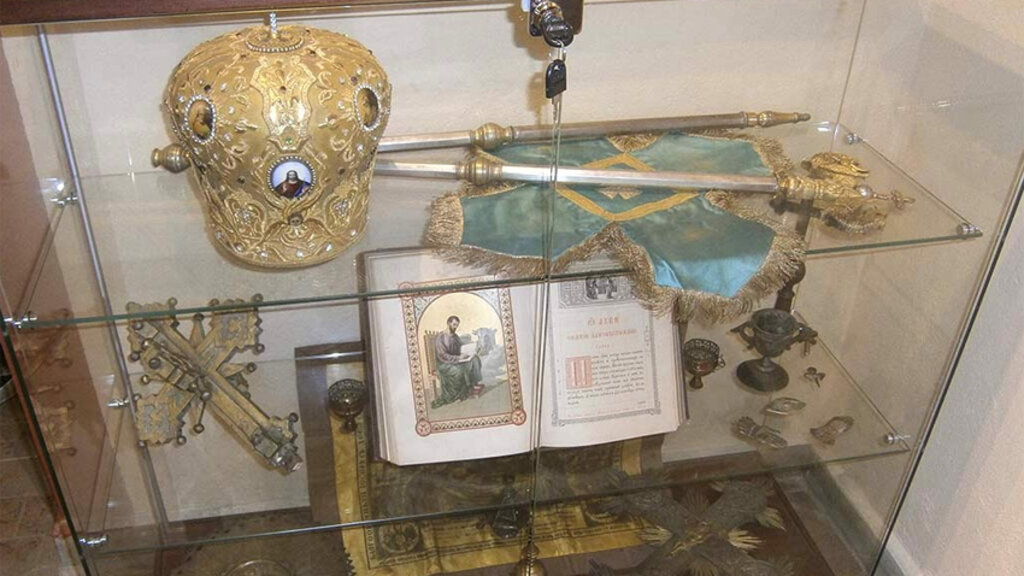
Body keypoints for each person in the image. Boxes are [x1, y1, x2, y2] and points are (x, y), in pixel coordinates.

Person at [431, 315, 483, 409]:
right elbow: (442, 355)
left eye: (457, 325)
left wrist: (472, 349)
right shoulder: (441, 337)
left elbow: (461, 346)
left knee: (475, 359)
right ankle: (459, 393)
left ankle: (474, 384)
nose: (455, 327)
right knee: (459, 370)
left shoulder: (455, 336)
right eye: (454, 325)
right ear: (448, 323)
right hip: (444, 364)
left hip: (456, 360)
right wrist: (458, 358)